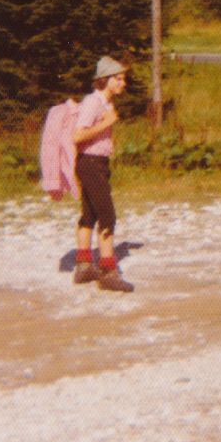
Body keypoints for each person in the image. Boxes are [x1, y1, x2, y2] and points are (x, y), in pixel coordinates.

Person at [73, 56, 134, 292]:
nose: (123, 83)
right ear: (105, 80)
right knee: (107, 216)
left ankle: (84, 266)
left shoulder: (106, 103)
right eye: (118, 79)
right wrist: (107, 122)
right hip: (89, 164)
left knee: (89, 214)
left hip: (97, 163)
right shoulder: (94, 103)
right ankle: (108, 272)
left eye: (123, 79)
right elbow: (78, 136)